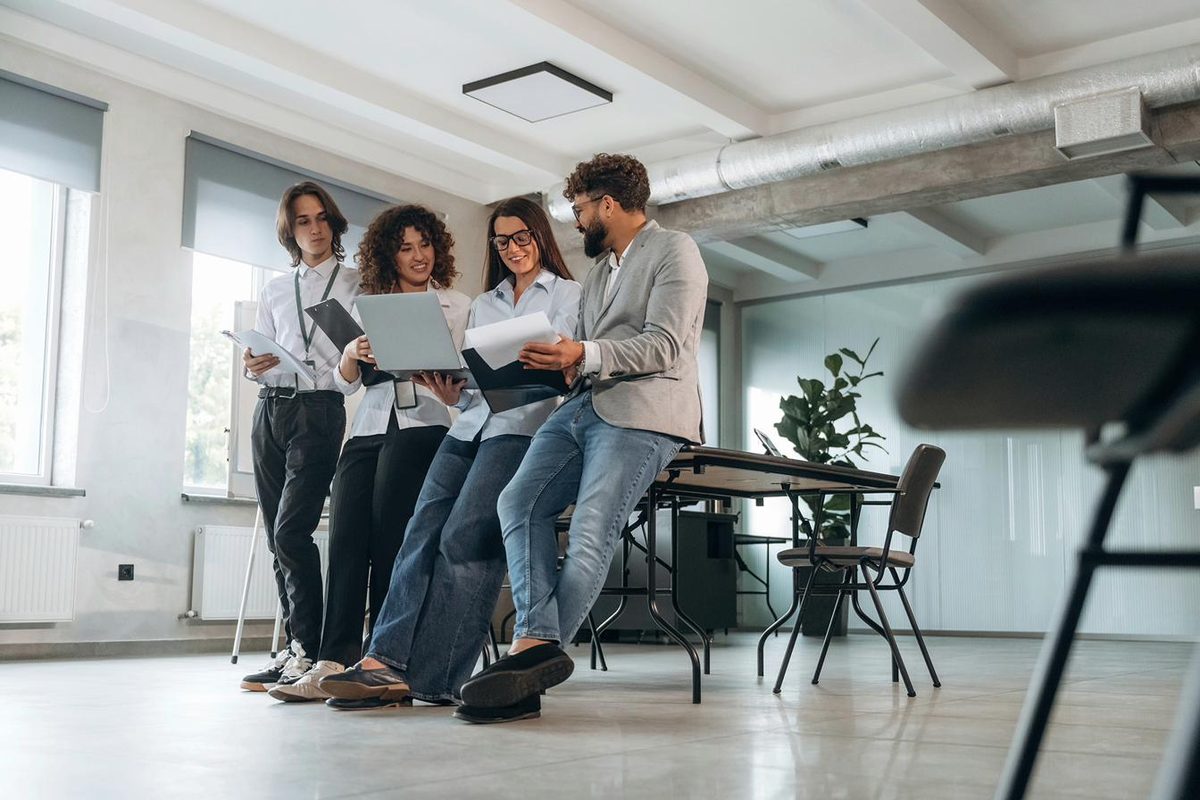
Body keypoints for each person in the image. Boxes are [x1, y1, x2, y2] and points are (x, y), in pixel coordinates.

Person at [454, 153, 709, 722]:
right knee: (516, 501)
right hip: (583, 404)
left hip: (645, 412)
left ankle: (526, 666)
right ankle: (537, 644)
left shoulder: (674, 251)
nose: (576, 220)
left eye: (580, 208)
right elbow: (586, 354)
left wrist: (585, 354)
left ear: (609, 205)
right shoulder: (596, 274)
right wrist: (559, 363)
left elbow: (666, 345)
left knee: (593, 528)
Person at [318, 197, 581, 712]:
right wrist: (452, 391)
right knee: (420, 532)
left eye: (522, 236)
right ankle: (383, 660)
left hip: (525, 427)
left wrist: (552, 366)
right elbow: (474, 388)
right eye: (502, 240)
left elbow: (568, 371)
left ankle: (436, 678)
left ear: (540, 236)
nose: (513, 248)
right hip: (470, 426)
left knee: (463, 536)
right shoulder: (487, 303)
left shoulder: (569, 294)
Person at [269, 204, 470, 701]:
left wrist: (439, 373)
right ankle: (332, 660)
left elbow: (466, 376)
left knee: (389, 543)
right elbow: (343, 382)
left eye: (425, 245)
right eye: (405, 248)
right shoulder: (367, 306)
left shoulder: (457, 304)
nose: (418, 255)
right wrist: (351, 355)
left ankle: (382, 660)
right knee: (345, 541)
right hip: (368, 427)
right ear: (389, 255)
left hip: (424, 424)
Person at [239, 182, 362, 691]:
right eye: (302, 221)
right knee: (276, 537)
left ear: (333, 223)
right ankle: (295, 651)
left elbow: (357, 364)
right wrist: (252, 365)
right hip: (270, 408)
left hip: (320, 409)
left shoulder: (357, 282)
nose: (313, 228)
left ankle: (310, 649)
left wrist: (334, 372)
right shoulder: (274, 288)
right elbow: (261, 359)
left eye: (320, 219)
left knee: (292, 531)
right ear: (289, 231)